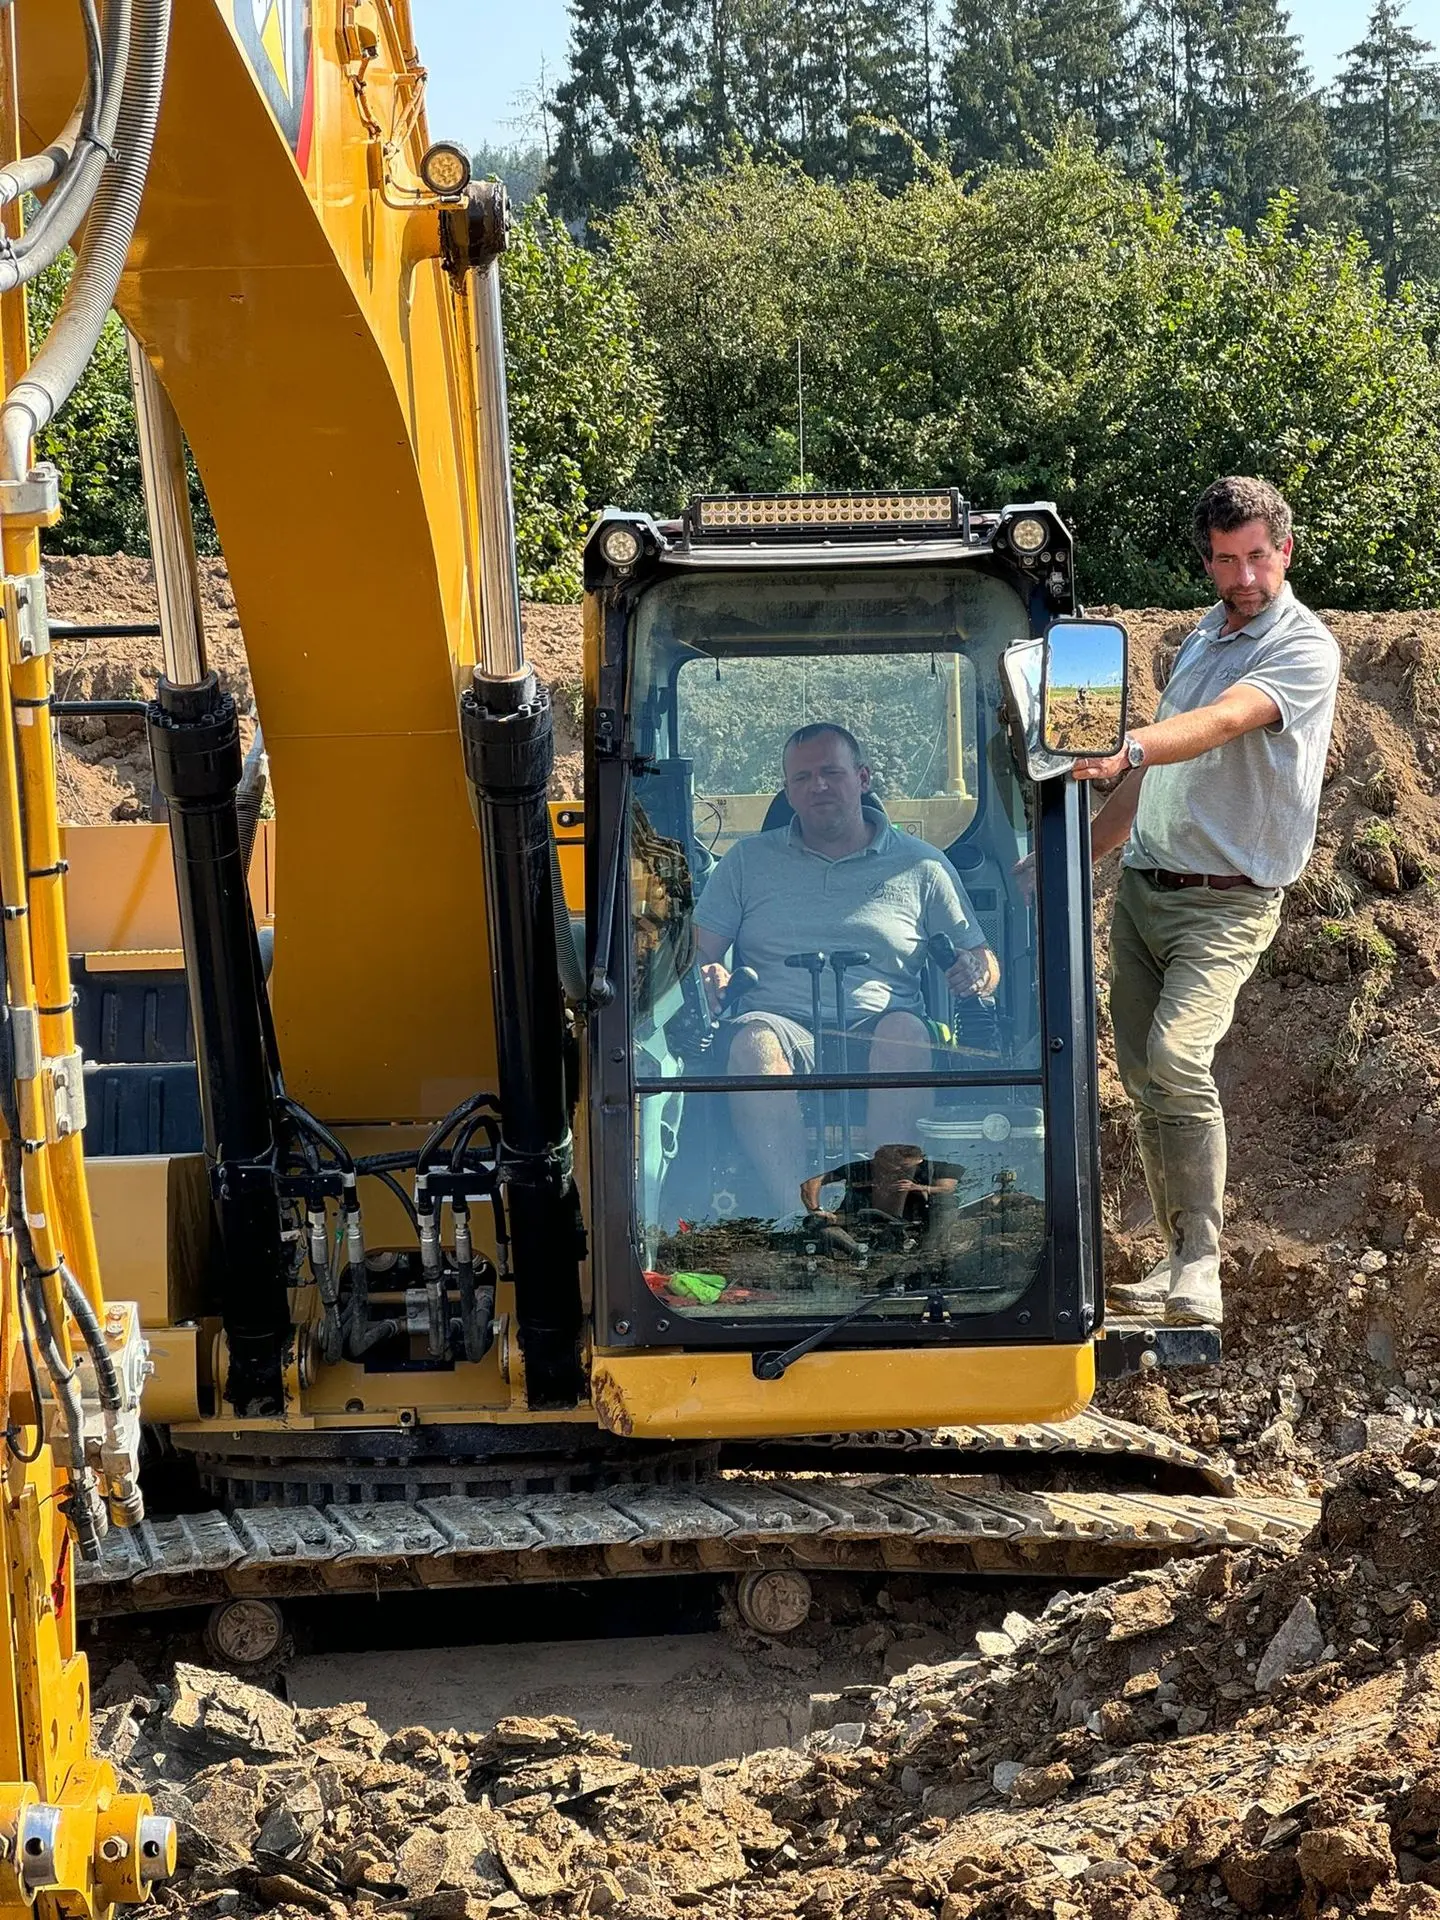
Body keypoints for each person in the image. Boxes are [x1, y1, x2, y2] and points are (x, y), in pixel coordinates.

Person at [1074, 477, 1340, 1328]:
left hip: (1227, 904)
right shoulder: (1200, 640)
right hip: (1146, 891)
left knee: (1180, 1060)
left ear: (1284, 551)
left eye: (1257, 556)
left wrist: (1129, 745)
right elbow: (1151, 777)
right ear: (1209, 562)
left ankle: (1202, 1266)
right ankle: (1173, 1255)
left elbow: (1226, 722)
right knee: (1148, 1075)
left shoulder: (1303, 647)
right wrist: (1069, 860)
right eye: (1227, 560)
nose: (1245, 575)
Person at [693, 722, 1000, 1219]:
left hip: (880, 1024)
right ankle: (798, 1219)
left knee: (905, 1032)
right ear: (788, 792)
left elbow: (984, 961)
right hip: (779, 1022)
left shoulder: (923, 867)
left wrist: (976, 973)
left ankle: (883, 1216)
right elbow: (700, 955)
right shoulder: (745, 863)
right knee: (752, 1042)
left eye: (831, 772)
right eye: (802, 778)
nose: (818, 786)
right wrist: (709, 975)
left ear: (862, 777)